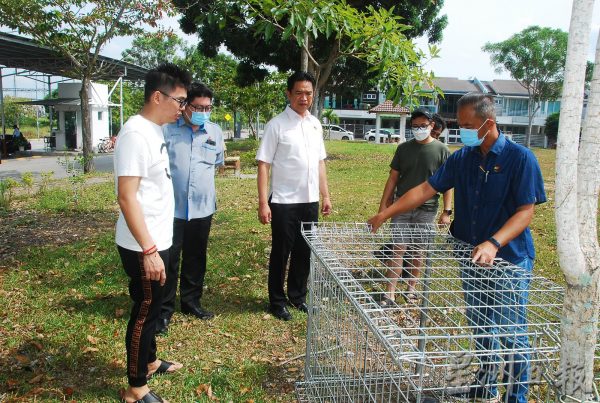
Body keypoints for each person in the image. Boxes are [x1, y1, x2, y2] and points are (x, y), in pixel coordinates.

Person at [368, 92, 546, 403]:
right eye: (458, 124)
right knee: (480, 323)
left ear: (487, 123)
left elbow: (525, 211)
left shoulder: (520, 159)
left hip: (509, 259)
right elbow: (425, 189)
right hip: (469, 255)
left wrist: (493, 243)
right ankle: (486, 386)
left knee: (511, 330)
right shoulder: (462, 158)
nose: (459, 131)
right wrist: (386, 212)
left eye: (466, 125)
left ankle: (515, 397)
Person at [114, 63, 191, 403]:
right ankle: (136, 386)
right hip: (143, 244)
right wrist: (148, 250)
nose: (182, 109)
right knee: (145, 312)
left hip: (161, 238)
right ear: (158, 96)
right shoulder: (135, 133)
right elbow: (126, 196)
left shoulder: (155, 129)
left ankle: (151, 360)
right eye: (180, 101)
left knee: (156, 305)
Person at [256, 71, 332, 321]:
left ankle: (297, 296)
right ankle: (276, 301)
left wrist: (325, 196)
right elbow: (263, 164)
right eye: (298, 92)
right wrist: (262, 203)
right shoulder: (276, 125)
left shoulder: (315, 124)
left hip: (309, 201)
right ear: (289, 93)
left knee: (304, 251)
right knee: (281, 252)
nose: (304, 97)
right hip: (283, 202)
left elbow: (320, 162)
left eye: (308, 93)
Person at [157, 82, 224, 334]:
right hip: (172, 209)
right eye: (198, 107)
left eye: (208, 108)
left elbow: (217, 163)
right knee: (169, 260)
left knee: (196, 256)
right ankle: (164, 310)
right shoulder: (167, 130)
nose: (203, 112)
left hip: (202, 208)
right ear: (186, 106)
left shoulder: (215, 133)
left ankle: (191, 301)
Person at [377, 108, 452, 306]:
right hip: (401, 208)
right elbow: (392, 178)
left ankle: (411, 288)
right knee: (398, 249)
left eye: (423, 126)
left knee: (418, 251)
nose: (419, 129)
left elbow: (448, 185)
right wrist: (384, 206)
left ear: (432, 126)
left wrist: (447, 211)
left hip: (427, 210)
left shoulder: (442, 150)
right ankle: (389, 292)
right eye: (415, 126)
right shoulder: (403, 149)